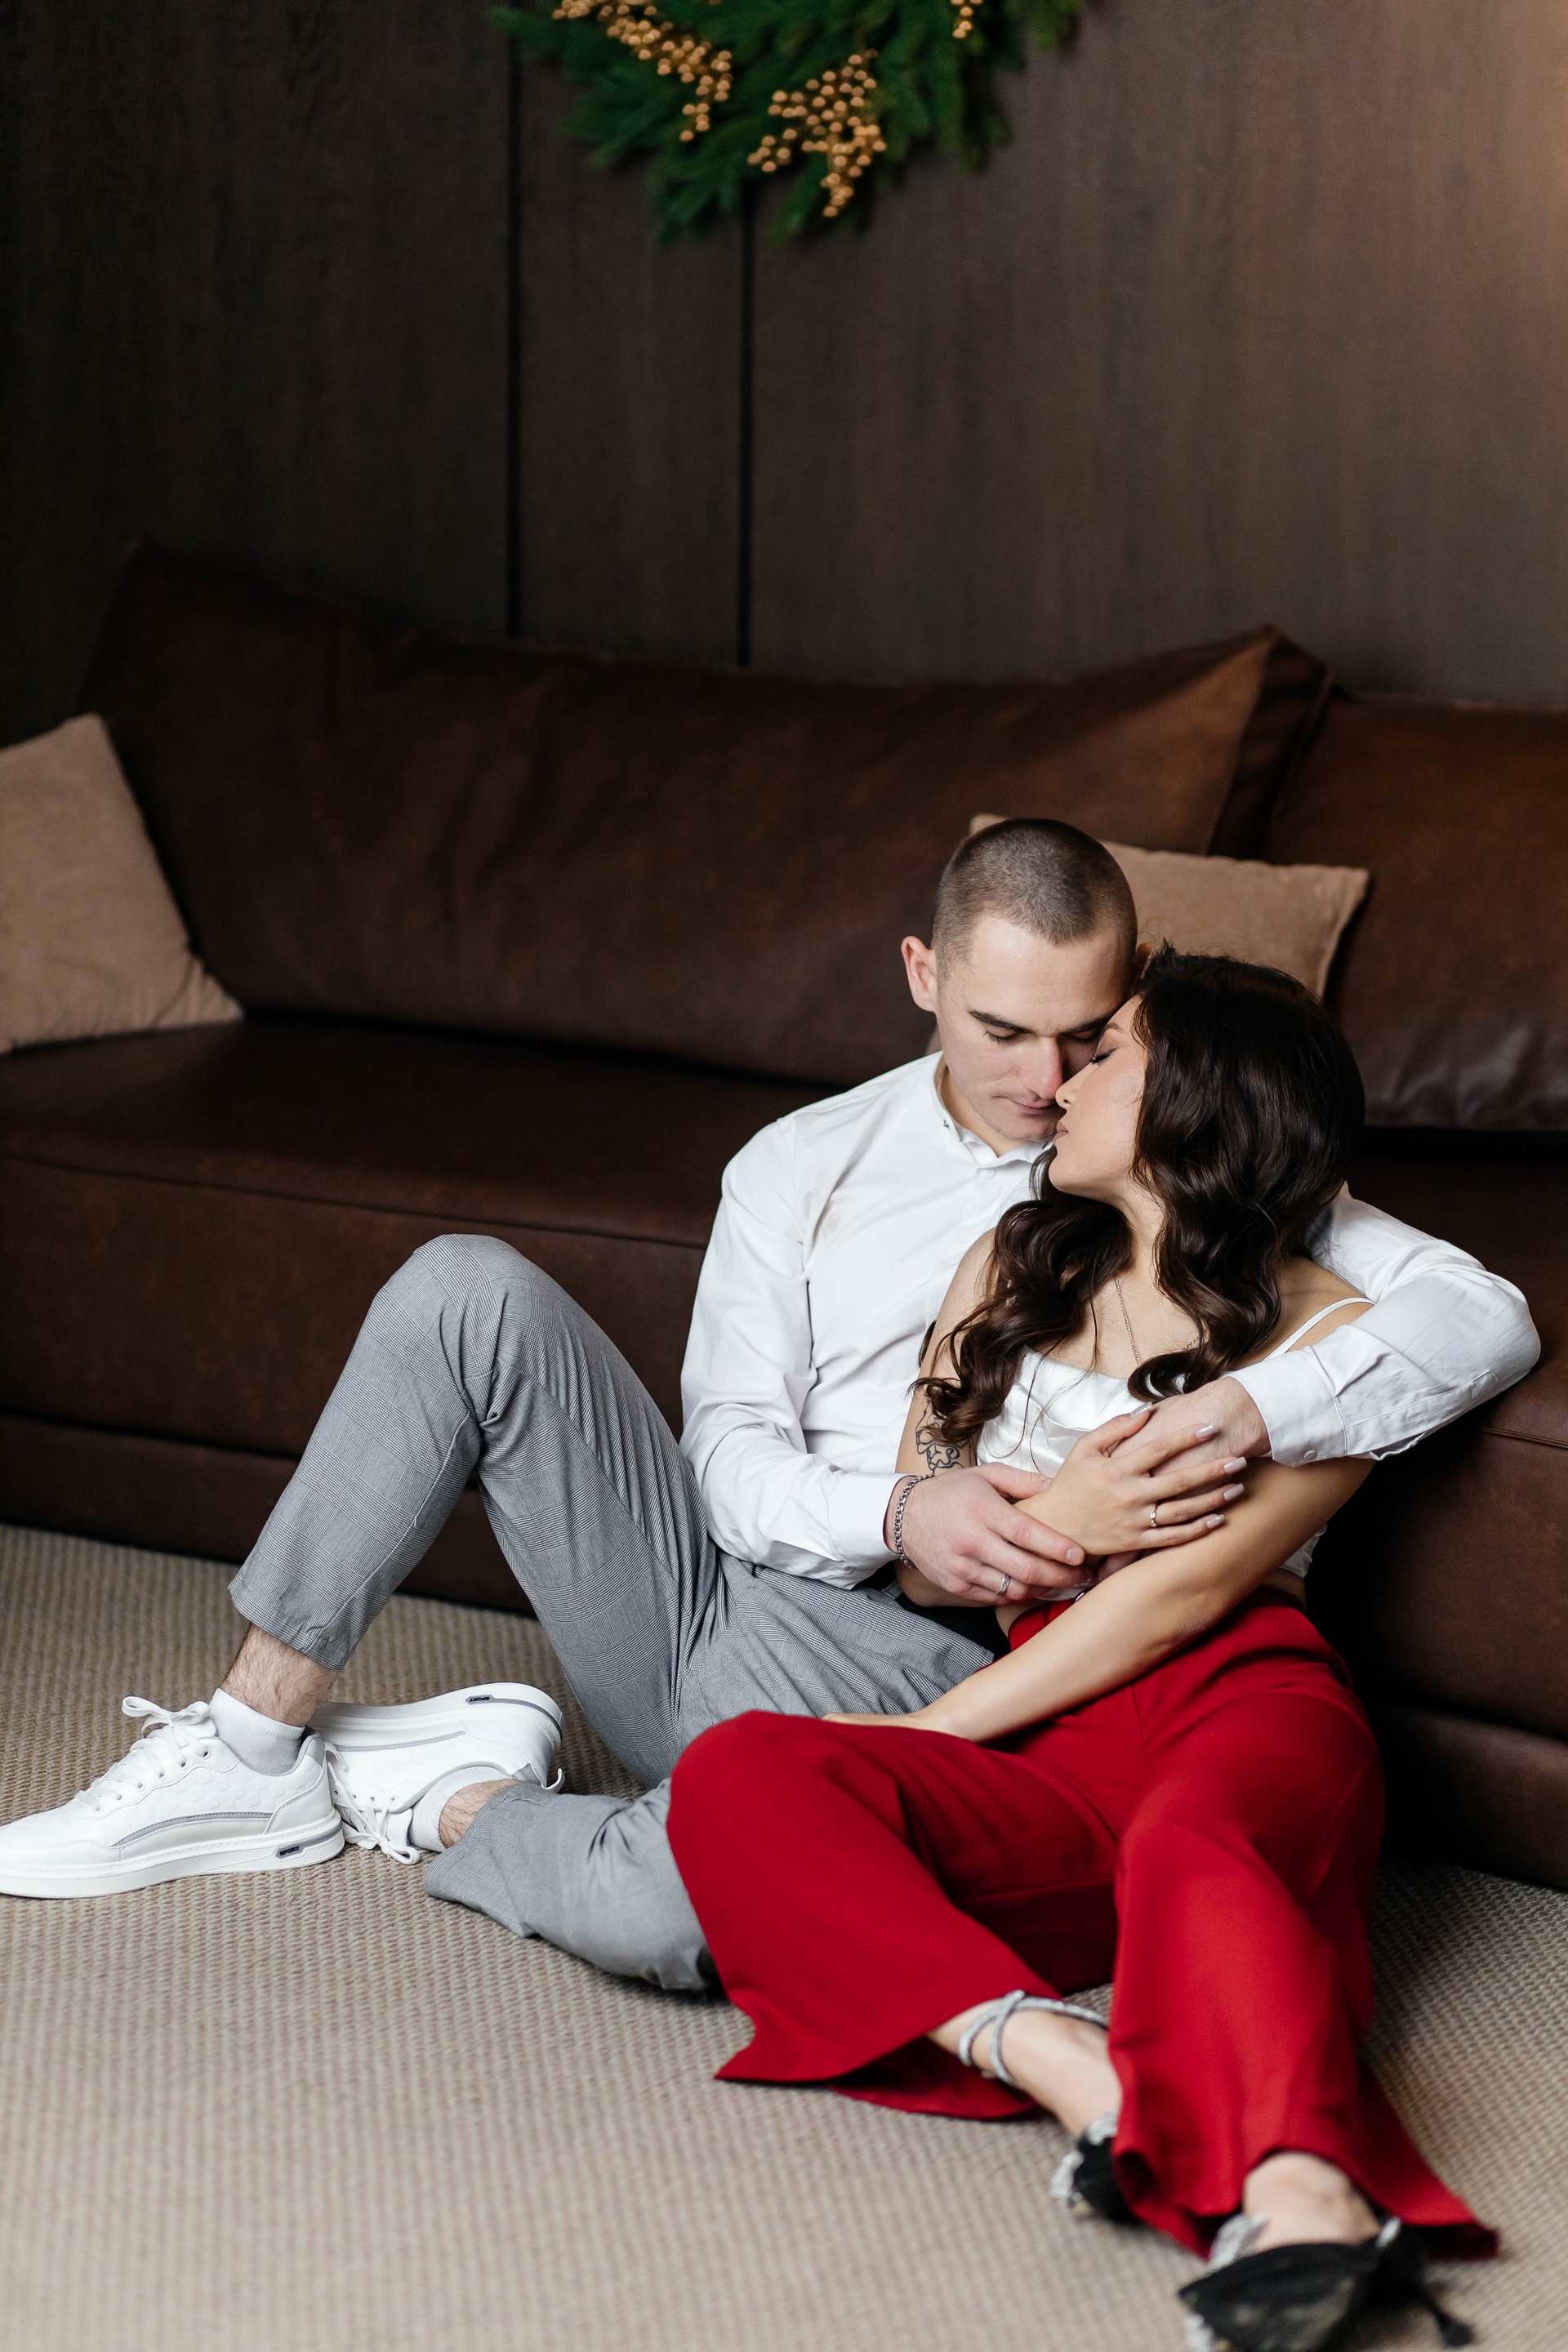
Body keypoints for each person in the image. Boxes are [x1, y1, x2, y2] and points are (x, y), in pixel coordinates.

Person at [0, 826, 1536, 2001]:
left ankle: (450, 1796)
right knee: (462, 1290)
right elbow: (728, 1458)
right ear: (923, 978)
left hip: (935, 1654)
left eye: (1086, 1035)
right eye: (1003, 1032)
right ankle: (254, 1743)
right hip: (722, 1591)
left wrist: (1234, 1417)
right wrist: (900, 1508)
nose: (1047, 1078)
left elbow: (1482, 1313)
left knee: (700, 1916)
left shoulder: (1196, 1155)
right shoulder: (803, 1164)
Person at [666, 951, 1497, 2352]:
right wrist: (1048, 1536)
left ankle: (1304, 2201)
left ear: (1193, 1095)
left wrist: (923, 1738)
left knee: (1194, 1846)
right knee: (740, 1773)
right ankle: (1085, 2078)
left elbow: (1184, 1593)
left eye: (1105, 1053)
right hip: (1051, 1737)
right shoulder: (1007, 1265)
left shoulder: (1331, 1330)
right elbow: (930, 1564)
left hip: (1236, 1688)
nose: (1061, 1082)